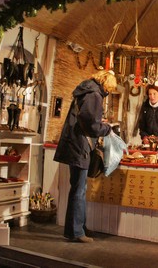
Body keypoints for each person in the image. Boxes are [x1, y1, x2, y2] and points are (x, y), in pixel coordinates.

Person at [54, 70, 117, 243]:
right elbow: (91, 125)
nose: (108, 92)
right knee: (79, 190)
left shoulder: (85, 91)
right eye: (109, 89)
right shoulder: (94, 95)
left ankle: (78, 227)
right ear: (106, 84)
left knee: (78, 188)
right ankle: (76, 232)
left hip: (74, 143)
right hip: (79, 146)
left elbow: (85, 118)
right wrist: (107, 128)